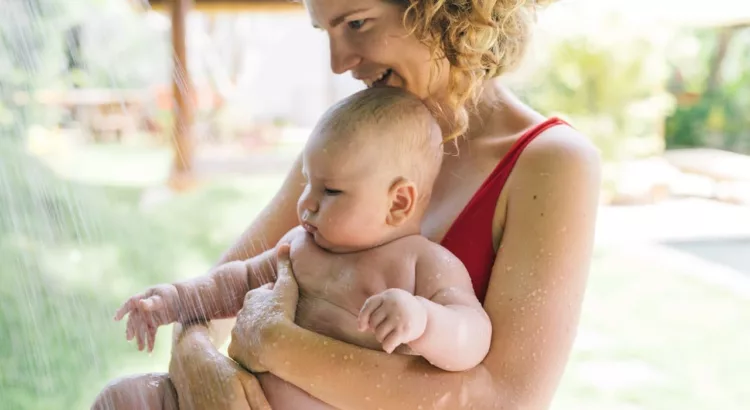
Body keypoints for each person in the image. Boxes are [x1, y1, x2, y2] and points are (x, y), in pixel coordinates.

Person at [92, 0, 602, 409]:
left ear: (443, 9)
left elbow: (502, 399)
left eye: (356, 22)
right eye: (326, 32)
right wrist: (203, 368)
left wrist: (272, 342)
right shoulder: (350, 145)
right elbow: (217, 296)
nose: (339, 62)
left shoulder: (552, 162)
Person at [112, 87, 492, 409]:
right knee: (122, 398)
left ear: (398, 203)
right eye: (308, 183)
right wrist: (172, 300)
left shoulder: (423, 264)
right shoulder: (300, 245)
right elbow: (236, 281)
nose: (306, 203)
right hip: (236, 397)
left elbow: (472, 338)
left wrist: (423, 319)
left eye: (330, 191)